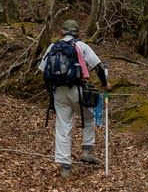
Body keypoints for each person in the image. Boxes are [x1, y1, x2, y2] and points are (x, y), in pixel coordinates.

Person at [37, 19, 109, 178]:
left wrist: (51, 93)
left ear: (62, 32)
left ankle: (65, 167)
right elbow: (98, 66)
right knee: (89, 116)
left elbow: (43, 70)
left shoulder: (52, 47)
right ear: (77, 33)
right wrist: (105, 84)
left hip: (59, 92)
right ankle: (87, 150)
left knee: (63, 127)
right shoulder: (81, 46)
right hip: (78, 89)